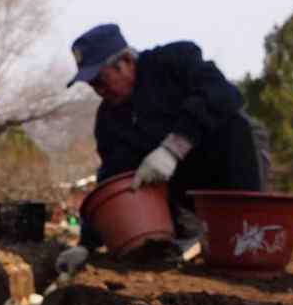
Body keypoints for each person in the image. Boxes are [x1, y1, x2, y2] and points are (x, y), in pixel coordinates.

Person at [58, 23, 270, 273]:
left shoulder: (174, 61)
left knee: (234, 124)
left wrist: (173, 148)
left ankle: (245, 231)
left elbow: (222, 95)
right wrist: (87, 242)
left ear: (126, 61)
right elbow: (113, 180)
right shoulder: (110, 120)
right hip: (184, 187)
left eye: (102, 81)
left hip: (232, 160)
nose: (100, 91)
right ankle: (189, 237)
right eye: (94, 86)